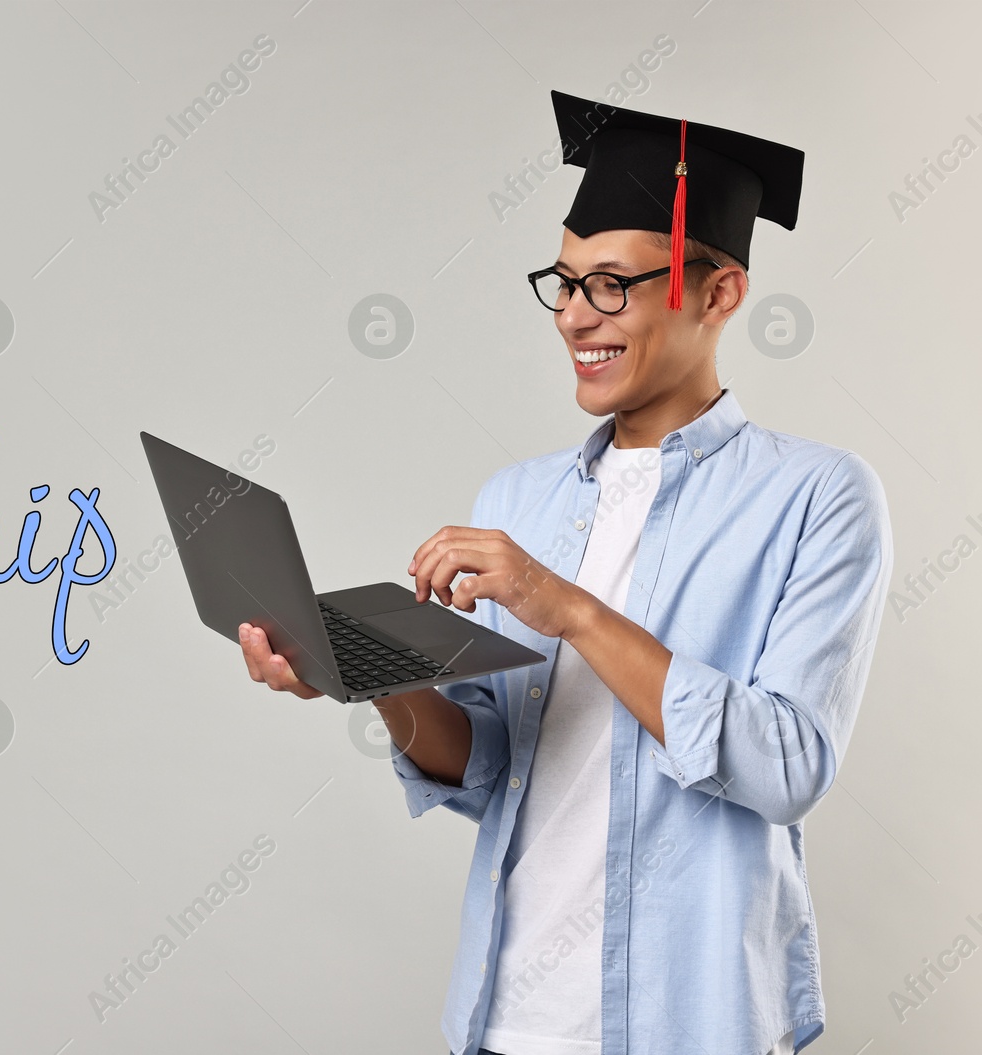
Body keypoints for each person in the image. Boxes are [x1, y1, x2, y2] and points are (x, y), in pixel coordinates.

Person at [237, 90, 893, 1055]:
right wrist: (373, 677)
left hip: (688, 1020)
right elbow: (491, 761)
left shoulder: (818, 496)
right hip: (508, 1021)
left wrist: (568, 608)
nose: (576, 316)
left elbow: (787, 765)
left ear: (720, 294)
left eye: (615, 284)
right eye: (567, 280)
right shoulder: (519, 499)